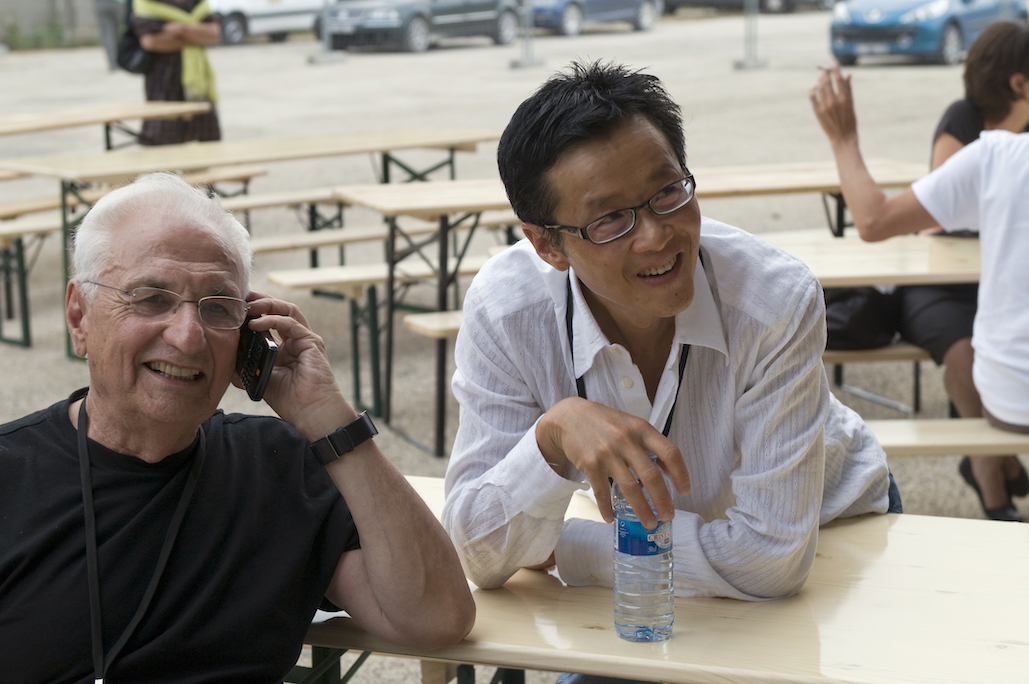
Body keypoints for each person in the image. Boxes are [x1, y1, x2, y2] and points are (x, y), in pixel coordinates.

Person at [443, 60, 896, 617]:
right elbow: (478, 553)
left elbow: (772, 560)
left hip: (831, 531)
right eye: (609, 220)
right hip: (686, 561)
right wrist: (552, 435)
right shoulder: (508, 311)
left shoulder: (773, 302)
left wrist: (562, 548)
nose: (657, 236)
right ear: (547, 245)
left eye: (668, 192)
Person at [0, 173, 475, 682]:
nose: (187, 336)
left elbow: (437, 618)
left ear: (249, 334)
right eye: (151, 298)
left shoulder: (281, 468)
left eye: (218, 307)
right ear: (79, 316)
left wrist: (327, 418)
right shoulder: (11, 476)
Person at [812, 22, 1029, 521]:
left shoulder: (995, 157)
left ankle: (993, 482)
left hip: (1011, 397)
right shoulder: (976, 135)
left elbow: (874, 220)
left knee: (970, 353)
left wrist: (844, 137)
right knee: (960, 348)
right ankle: (994, 487)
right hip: (951, 298)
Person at [133, 0, 222, 145]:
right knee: (163, 140)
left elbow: (214, 33)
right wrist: (196, 37)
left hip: (198, 82)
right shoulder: (148, 3)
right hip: (163, 80)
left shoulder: (197, 3)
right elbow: (151, 42)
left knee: (208, 139)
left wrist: (181, 29)